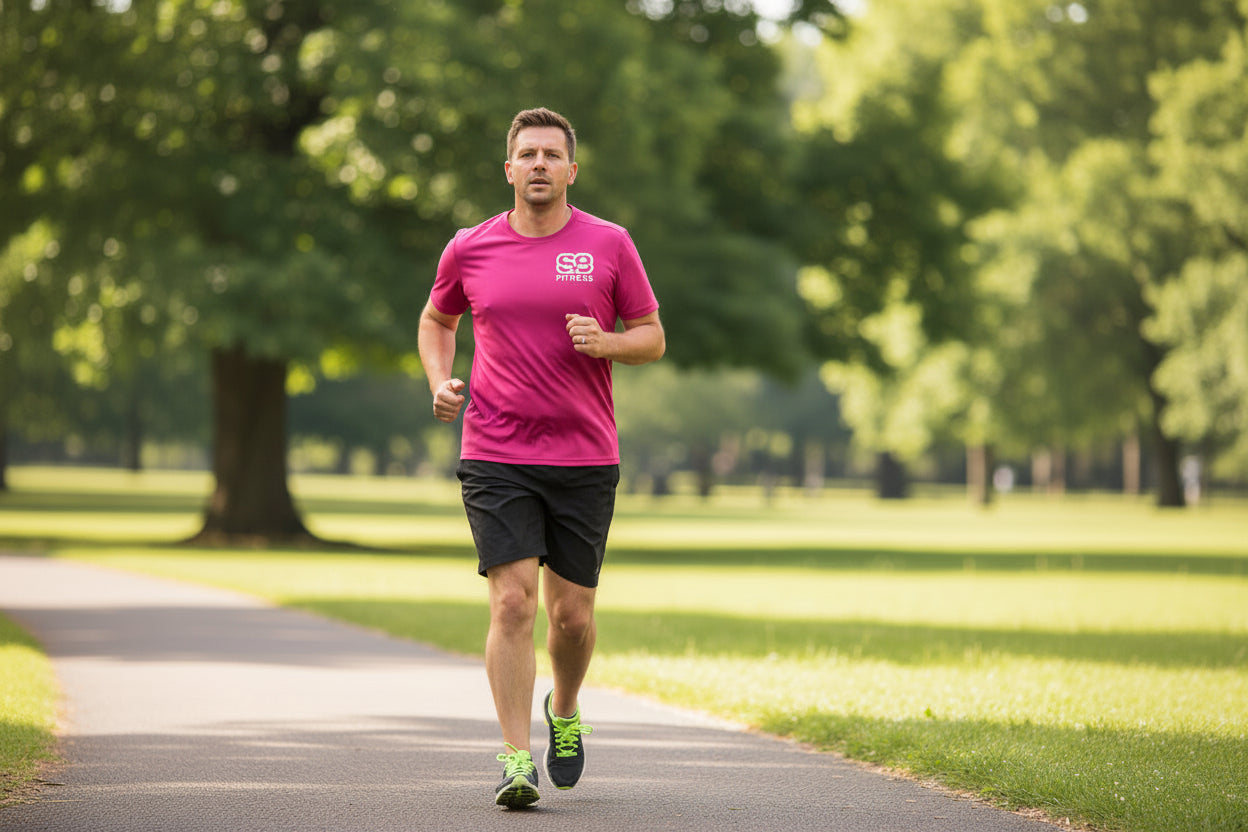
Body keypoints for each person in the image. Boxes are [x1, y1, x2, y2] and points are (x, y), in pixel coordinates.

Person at [417, 107, 665, 809]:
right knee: (513, 602)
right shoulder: (470, 247)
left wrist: (607, 343)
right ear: (508, 169)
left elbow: (651, 335)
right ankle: (513, 758)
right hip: (495, 449)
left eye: (551, 155)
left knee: (573, 618)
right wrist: (441, 380)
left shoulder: (610, 244)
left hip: (585, 455)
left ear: (571, 171)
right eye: (526, 154)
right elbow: (438, 319)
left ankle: (564, 709)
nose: (538, 165)